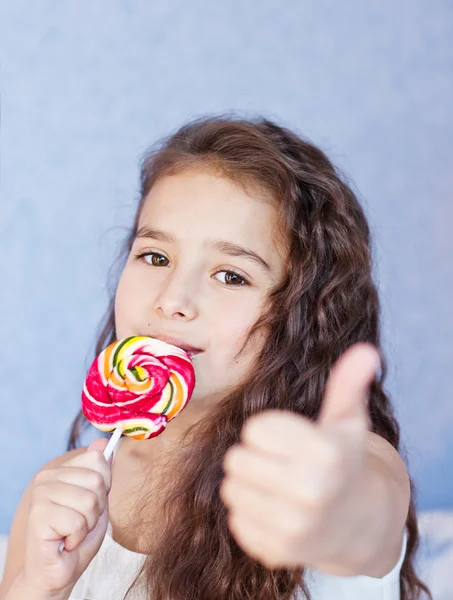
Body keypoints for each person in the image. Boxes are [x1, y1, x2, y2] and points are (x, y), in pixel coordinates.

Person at [0, 115, 432, 600]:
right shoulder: (60, 492)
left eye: (231, 276)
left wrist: (336, 507)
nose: (173, 299)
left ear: (301, 314)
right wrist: (40, 586)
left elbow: (367, 511)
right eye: (155, 257)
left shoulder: (337, 465)